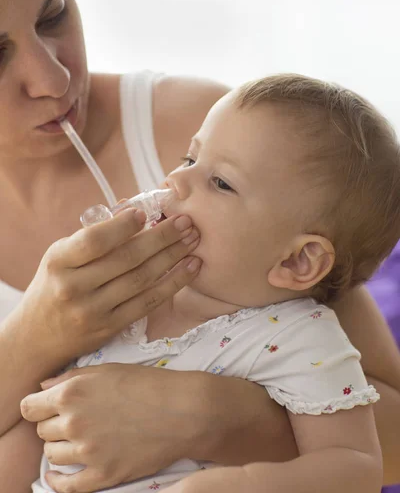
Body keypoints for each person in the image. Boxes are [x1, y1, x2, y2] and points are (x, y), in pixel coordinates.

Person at [0, 0, 398, 492]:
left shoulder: (230, 130)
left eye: (54, 13)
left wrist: (208, 416)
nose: (52, 79)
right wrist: (32, 339)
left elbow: (376, 440)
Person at [29, 73, 399, 493]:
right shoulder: (121, 296)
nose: (175, 180)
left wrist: (244, 483)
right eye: (190, 159)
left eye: (220, 182)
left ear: (297, 260)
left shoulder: (300, 338)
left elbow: (355, 467)